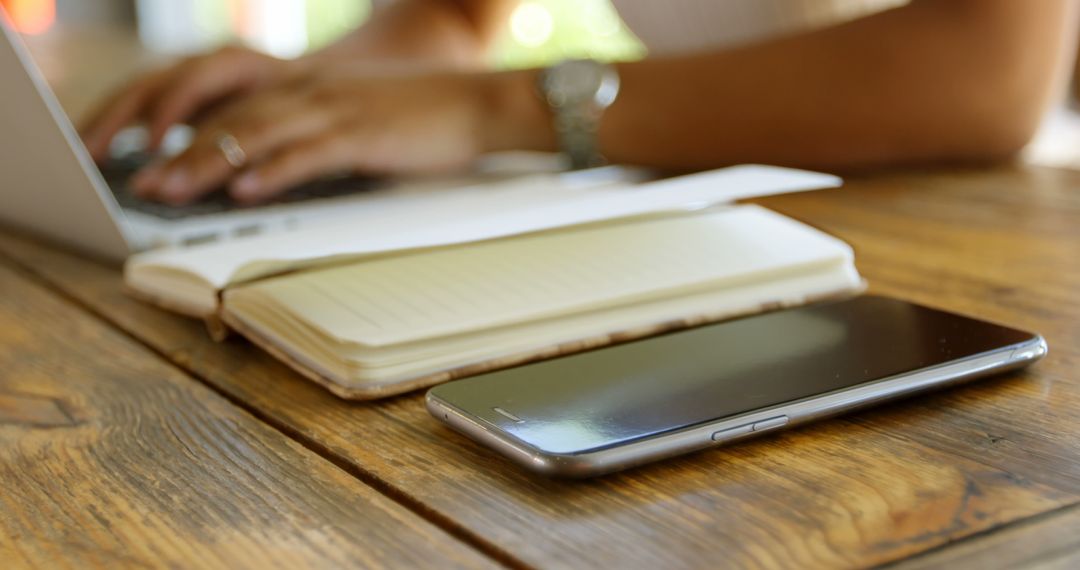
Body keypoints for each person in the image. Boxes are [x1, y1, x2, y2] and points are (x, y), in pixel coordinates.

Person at [80, 0, 1077, 206]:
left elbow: (993, 68)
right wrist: (314, 93)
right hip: (725, 213)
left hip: (983, 218)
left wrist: (500, 109)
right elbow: (455, 15)